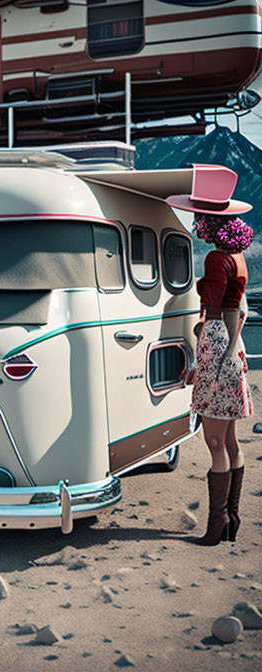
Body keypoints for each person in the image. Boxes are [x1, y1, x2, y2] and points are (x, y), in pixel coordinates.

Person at [167, 165, 254, 546]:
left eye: (201, 219)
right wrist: (235, 345)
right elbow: (243, 308)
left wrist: (210, 352)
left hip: (219, 340)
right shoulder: (239, 258)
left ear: (211, 226)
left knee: (214, 442)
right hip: (232, 344)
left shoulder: (216, 259)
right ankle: (232, 519)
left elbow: (222, 309)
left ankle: (216, 525)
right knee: (231, 440)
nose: (198, 224)